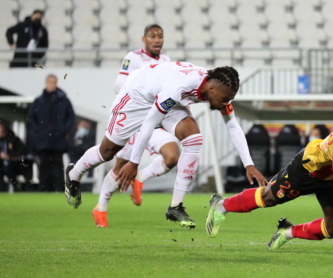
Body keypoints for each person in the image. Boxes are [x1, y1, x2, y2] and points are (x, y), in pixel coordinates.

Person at [64, 62, 267, 230]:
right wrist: (134, 162)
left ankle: (175, 207)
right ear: (212, 89)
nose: (226, 103)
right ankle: (74, 174)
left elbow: (232, 125)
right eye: (225, 99)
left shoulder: (215, 86)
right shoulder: (179, 87)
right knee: (107, 152)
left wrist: (248, 164)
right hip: (136, 97)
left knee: (193, 138)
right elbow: (149, 122)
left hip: (165, 100)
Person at [205, 96, 333, 249]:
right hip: (307, 169)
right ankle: (222, 205)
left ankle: (288, 232)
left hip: (329, 177)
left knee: (332, 229)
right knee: (269, 198)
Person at [92, 24, 179, 228]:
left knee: (172, 156)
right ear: (144, 39)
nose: (157, 40)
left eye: (160, 36)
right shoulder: (133, 58)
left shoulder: (166, 61)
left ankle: (140, 178)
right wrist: (144, 92)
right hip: (135, 120)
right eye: (152, 36)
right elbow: (118, 86)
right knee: (121, 167)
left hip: (155, 119)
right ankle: (101, 208)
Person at [28, 75, 75, 192]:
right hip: (43, 139)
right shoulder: (38, 101)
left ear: (56, 83)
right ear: (46, 83)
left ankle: (59, 188)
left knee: (58, 165)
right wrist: (38, 131)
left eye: (54, 82)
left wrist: (63, 129)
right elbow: (31, 118)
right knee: (43, 164)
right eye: (49, 82)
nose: (51, 84)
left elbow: (71, 117)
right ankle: (43, 188)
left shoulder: (64, 100)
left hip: (58, 139)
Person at [0, 123, 33, 192]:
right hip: (2, 165)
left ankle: (25, 189)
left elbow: (22, 152)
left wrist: (9, 156)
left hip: (15, 163)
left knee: (25, 168)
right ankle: (3, 190)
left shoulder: (14, 139)